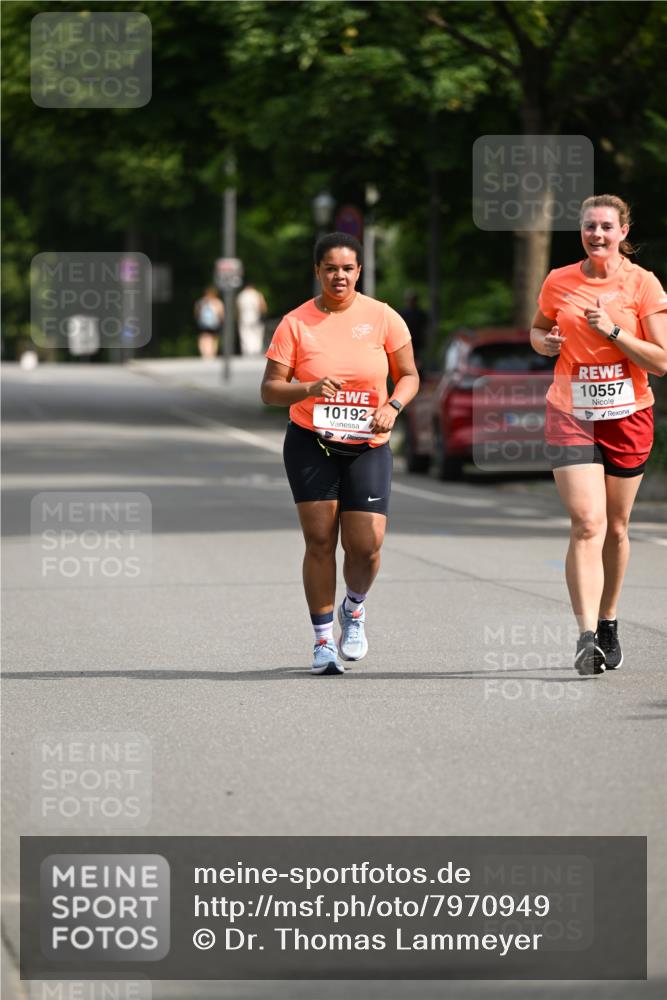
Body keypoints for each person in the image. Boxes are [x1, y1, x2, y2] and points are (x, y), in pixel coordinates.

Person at [261, 232, 420, 675]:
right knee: (319, 541)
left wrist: (393, 406)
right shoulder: (295, 323)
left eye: (348, 268)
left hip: (368, 444)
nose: (339, 276)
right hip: (311, 441)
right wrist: (308, 388)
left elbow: (409, 375)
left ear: (359, 271)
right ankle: (322, 642)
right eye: (330, 268)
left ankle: (354, 607)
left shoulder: (383, 317)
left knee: (366, 545)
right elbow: (270, 390)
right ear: (317, 271)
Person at [530, 195, 667, 676]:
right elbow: (537, 330)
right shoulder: (559, 280)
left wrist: (613, 332)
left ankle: (609, 621)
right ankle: (586, 636)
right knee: (588, 524)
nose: (597, 234)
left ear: (623, 231)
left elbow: (661, 360)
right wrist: (545, 343)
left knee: (617, 526)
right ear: (581, 231)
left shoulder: (643, 284)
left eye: (607, 226)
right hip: (571, 413)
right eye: (590, 226)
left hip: (628, 415)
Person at [400, 291, 428, 371]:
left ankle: (418, 373)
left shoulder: (421, 314)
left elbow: (425, 328)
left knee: (417, 360)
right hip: (406, 341)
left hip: (417, 341)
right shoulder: (403, 313)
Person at [237, 283, 268, 356]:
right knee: (257, 333)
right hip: (256, 316)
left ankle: (247, 350)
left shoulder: (241, 295)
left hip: (244, 317)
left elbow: (238, 308)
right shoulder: (257, 294)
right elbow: (263, 306)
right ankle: (256, 349)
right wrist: (264, 314)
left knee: (245, 334)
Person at [194, 286, 224, 359]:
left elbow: (196, 313)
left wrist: (198, 320)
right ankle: (212, 352)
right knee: (214, 338)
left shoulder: (201, 302)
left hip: (203, 323)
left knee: (204, 337)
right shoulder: (217, 302)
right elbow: (221, 313)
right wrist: (221, 322)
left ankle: (205, 352)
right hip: (214, 324)